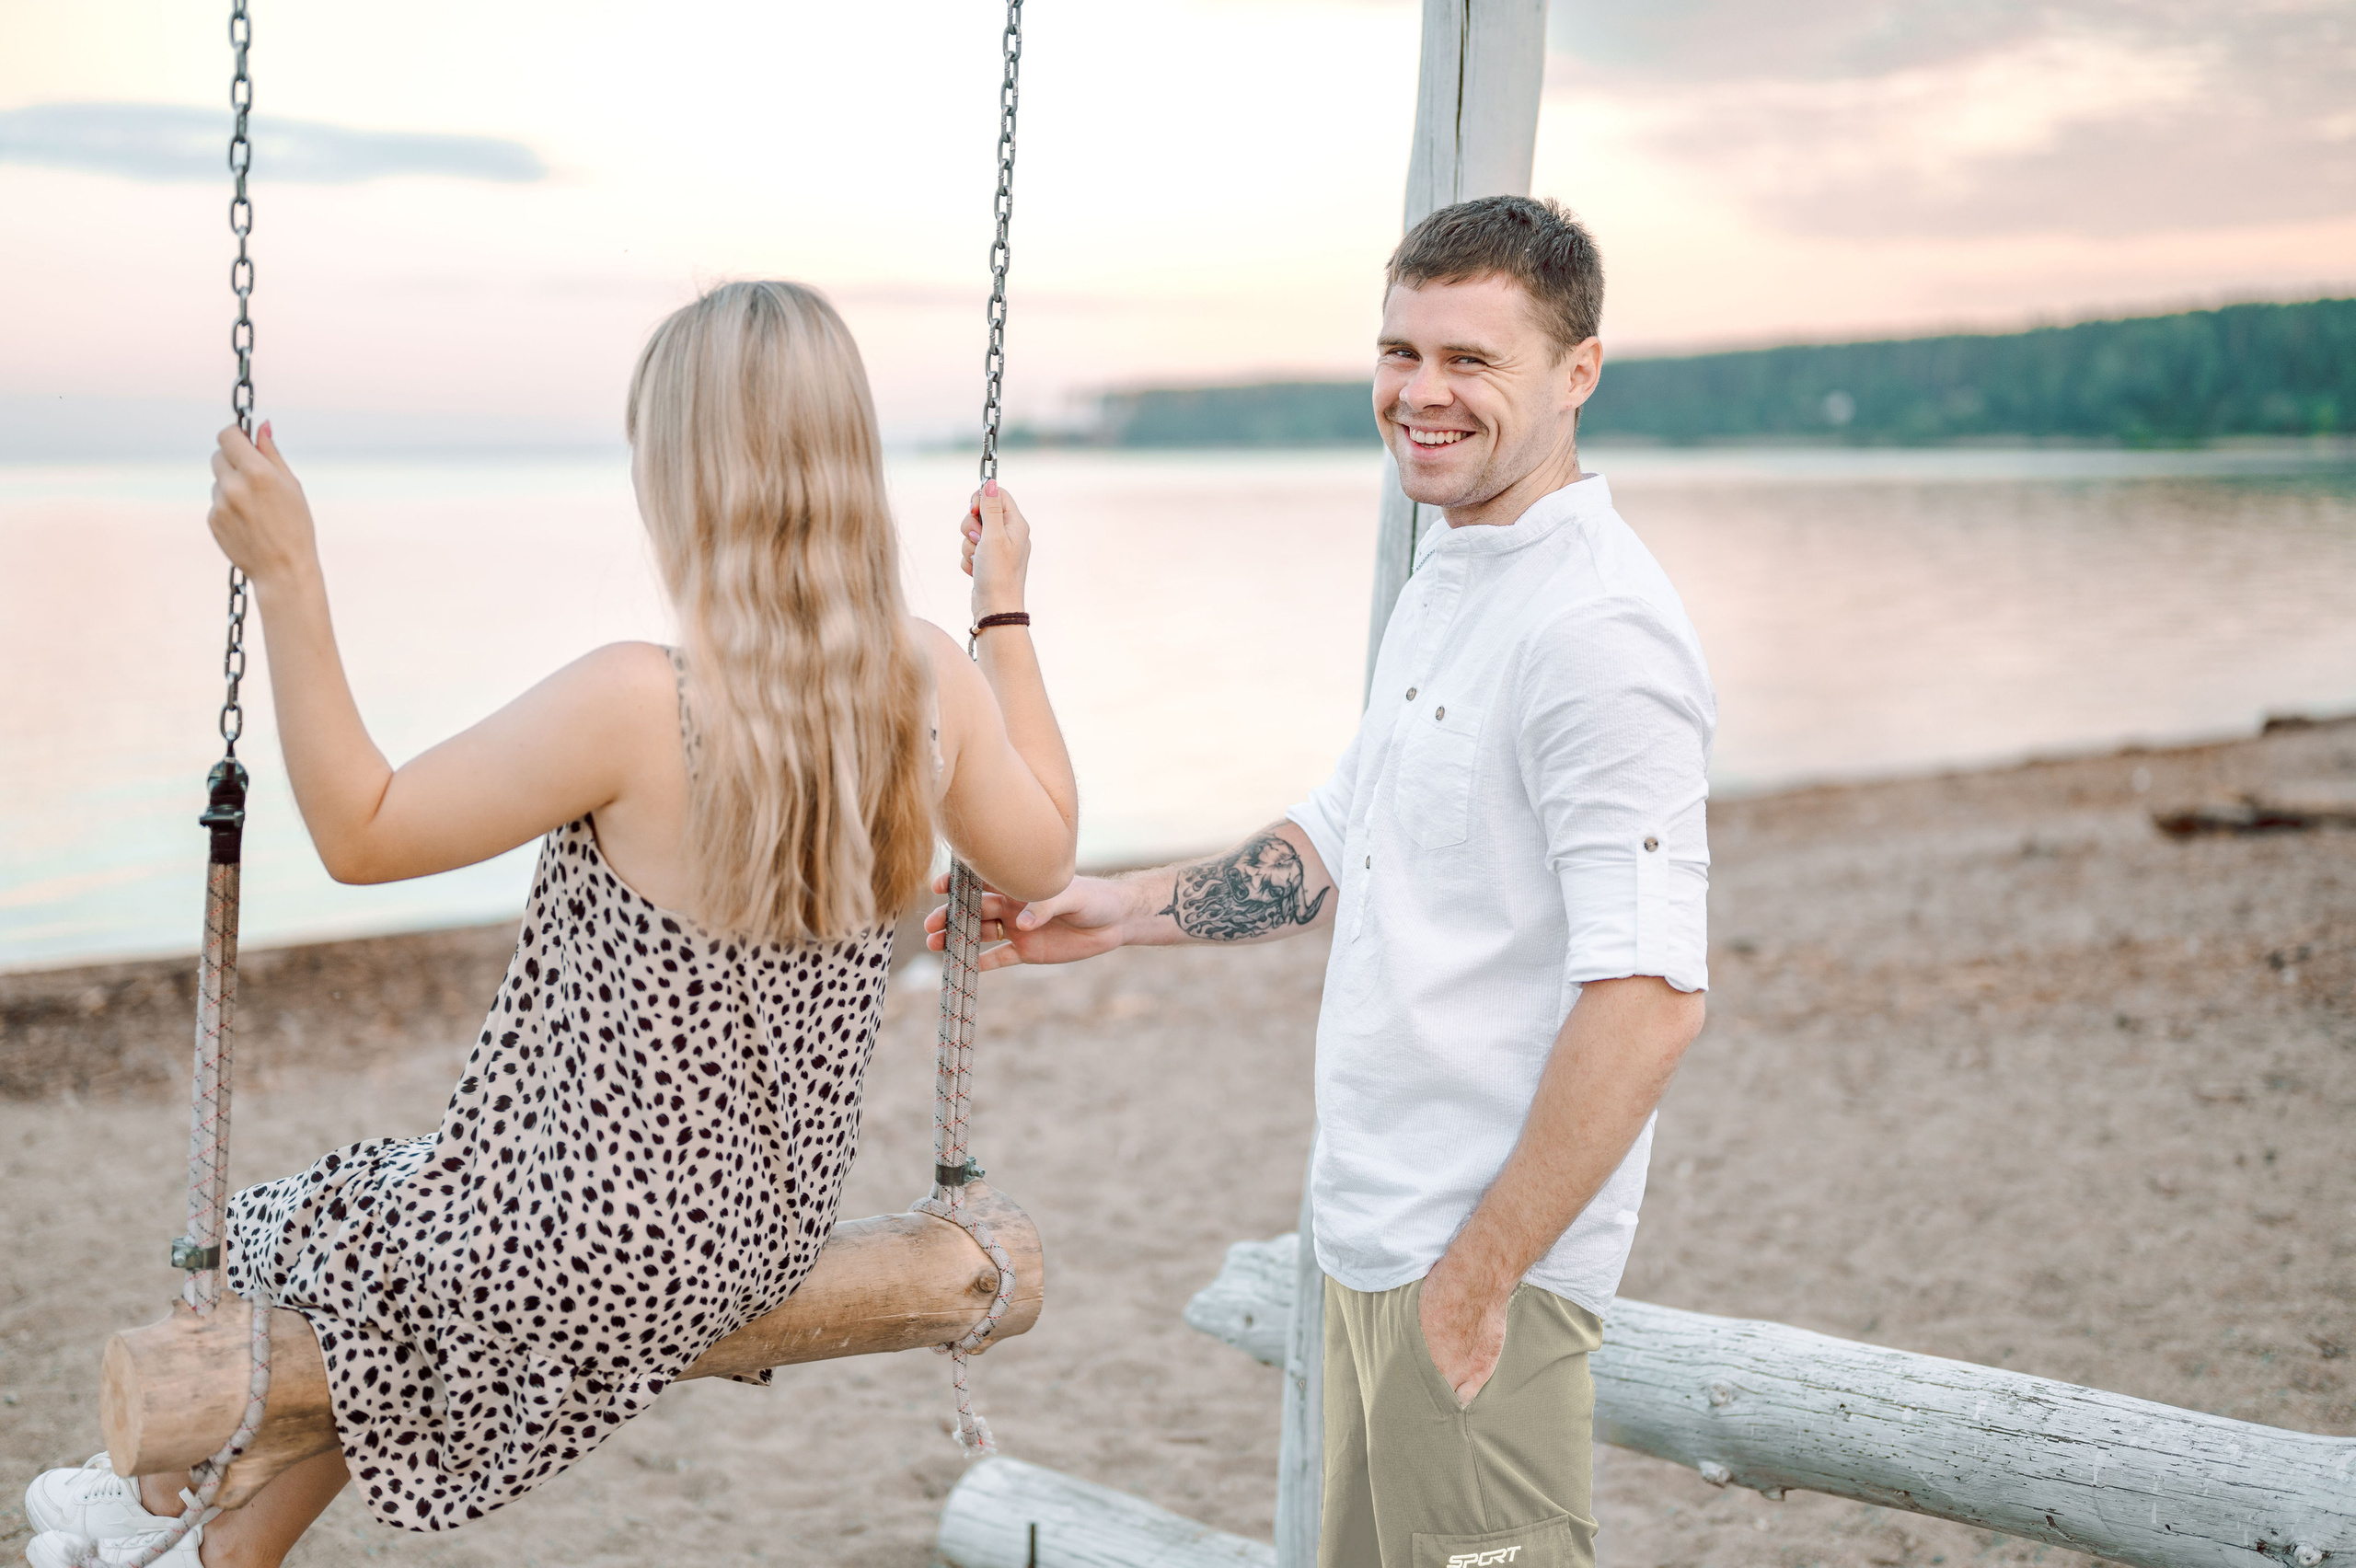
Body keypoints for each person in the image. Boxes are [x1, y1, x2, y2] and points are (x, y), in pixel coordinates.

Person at [24, 280, 1078, 1568]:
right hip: (763, 1236)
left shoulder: (639, 704)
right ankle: (207, 1544)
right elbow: (1046, 849)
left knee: (293, 1225)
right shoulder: (928, 684)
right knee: (398, 1242)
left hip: (580, 1242)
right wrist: (1002, 608)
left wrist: (290, 575)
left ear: (680, 481)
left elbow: (362, 833)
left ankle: (154, 1510)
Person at [934, 196, 1713, 1568]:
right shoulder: (1456, 565)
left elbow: (1650, 1002)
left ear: (1577, 373)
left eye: (1471, 360)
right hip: (1371, 1241)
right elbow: (1345, 837)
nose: (1422, 393)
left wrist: (1479, 1281)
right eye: (1401, 352)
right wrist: (1119, 909)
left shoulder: (1598, 629)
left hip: (1477, 1271)